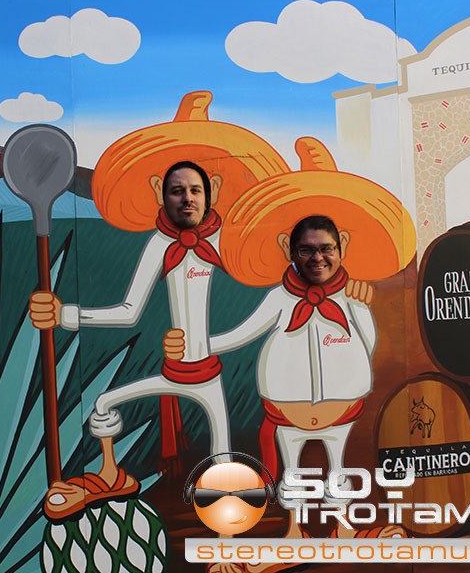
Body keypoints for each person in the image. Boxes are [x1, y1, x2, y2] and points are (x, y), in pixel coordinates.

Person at [166, 215, 404, 550]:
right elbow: (241, 334)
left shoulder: (353, 299)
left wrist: (348, 372)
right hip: (287, 411)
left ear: (342, 248)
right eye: (306, 250)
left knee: (337, 469)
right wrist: (190, 347)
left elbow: (368, 342)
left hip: (342, 410)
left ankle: (343, 528)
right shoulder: (280, 297)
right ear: (289, 251)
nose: (317, 258)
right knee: (292, 474)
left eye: (326, 249)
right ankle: (294, 530)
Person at [30, 160, 233, 520]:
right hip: (173, 371)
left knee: (222, 461)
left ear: (211, 192)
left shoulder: (229, 242)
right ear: (160, 194)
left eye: (195, 190)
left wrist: (207, 344)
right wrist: (66, 315)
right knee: (103, 402)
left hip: (209, 374)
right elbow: (129, 311)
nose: (187, 198)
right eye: (177, 191)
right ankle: (111, 475)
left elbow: (263, 304)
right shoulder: (159, 244)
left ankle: (226, 536)